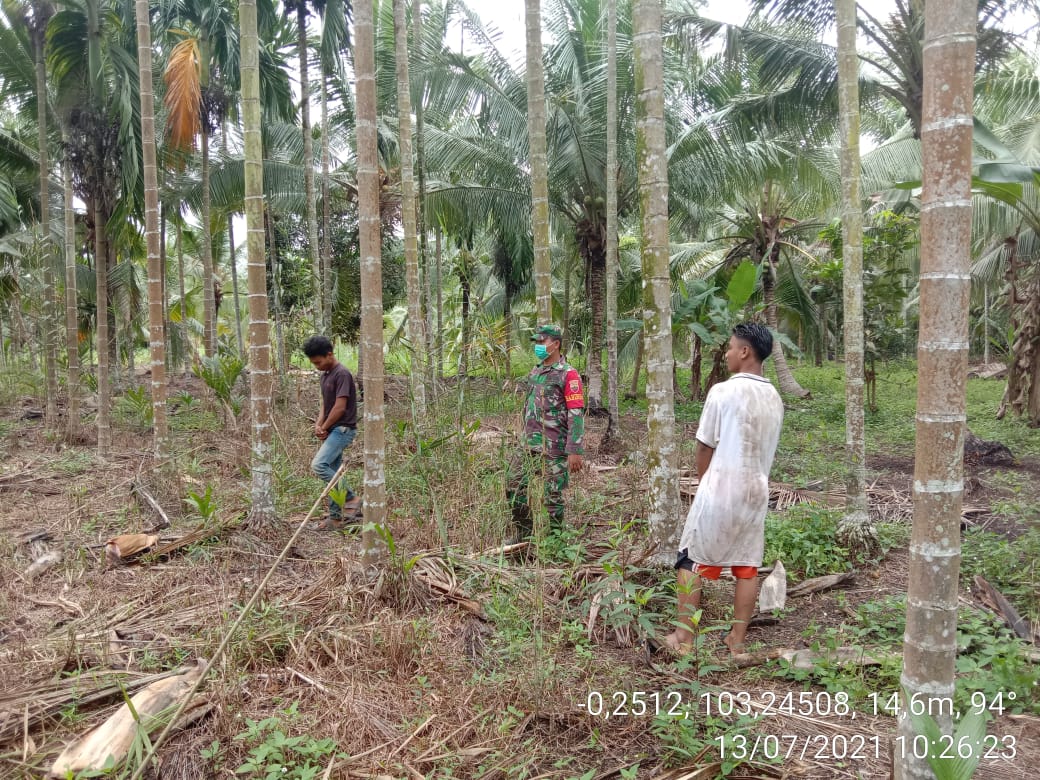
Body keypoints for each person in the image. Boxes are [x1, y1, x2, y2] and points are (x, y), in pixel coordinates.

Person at [661, 323, 784, 656]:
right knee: (747, 567)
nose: (727, 353)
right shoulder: (775, 397)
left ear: (745, 351)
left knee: (691, 560)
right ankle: (737, 640)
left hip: (721, 487)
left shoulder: (722, 392)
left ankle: (683, 639)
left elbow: (704, 446)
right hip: (757, 490)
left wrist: (704, 485)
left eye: (730, 347)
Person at [506, 324, 585, 539]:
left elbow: (576, 413)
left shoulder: (569, 375)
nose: (539, 346)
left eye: (542, 342)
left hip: (554, 446)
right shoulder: (536, 371)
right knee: (513, 485)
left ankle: (555, 540)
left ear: (556, 344)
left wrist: (574, 449)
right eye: (537, 342)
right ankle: (524, 535)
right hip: (528, 444)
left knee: (553, 497)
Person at [302, 335, 360, 530]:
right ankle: (336, 518)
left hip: (342, 429)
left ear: (329, 354)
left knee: (319, 465)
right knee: (332, 472)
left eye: (318, 362)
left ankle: (352, 498)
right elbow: (325, 405)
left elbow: (340, 407)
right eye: (313, 363)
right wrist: (319, 425)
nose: (317, 366)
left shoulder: (342, 373)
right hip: (331, 428)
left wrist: (325, 426)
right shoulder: (325, 375)